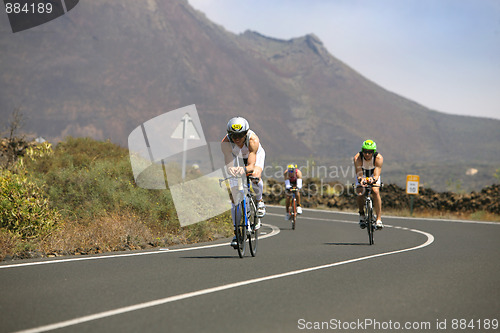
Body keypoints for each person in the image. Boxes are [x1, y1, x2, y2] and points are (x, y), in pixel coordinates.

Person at [221, 117, 266, 248]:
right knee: (235, 199)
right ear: (229, 134)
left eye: (240, 135)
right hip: (237, 156)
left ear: (246, 133)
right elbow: (229, 166)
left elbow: (251, 165)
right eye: (233, 135)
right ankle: (237, 233)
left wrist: (244, 169)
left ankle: (260, 201)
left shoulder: (253, 140)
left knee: (255, 175)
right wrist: (233, 171)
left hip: (253, 155)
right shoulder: (225, 143)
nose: (237, 138)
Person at [353, 139, 384, 229]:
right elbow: (359, 172)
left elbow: (377, 174)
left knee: (375, 191)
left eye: (370, 152)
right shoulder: (357, 158)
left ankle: (378, 219)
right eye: (365, 151)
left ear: (373, 152)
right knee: (360, 192)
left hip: (372, 174)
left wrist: (373, 179)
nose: (367, 154)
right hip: (361, 174)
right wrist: (361, 180)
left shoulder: (379, 158)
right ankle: (361, 214)